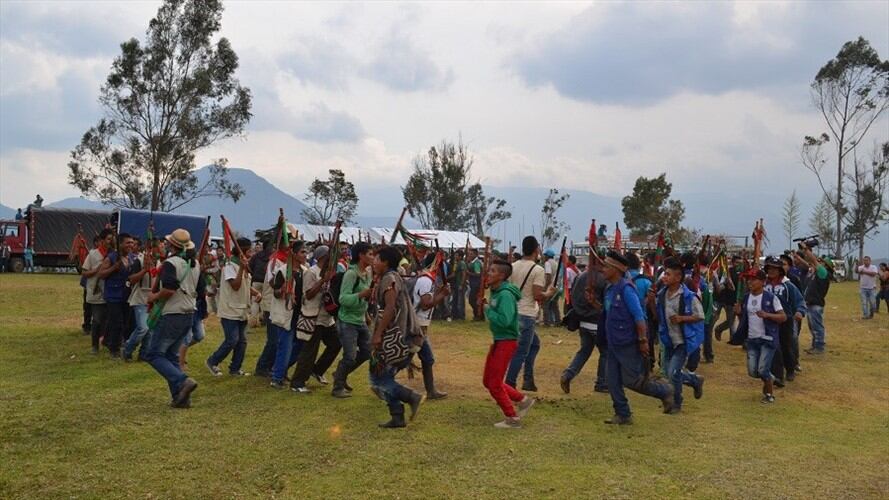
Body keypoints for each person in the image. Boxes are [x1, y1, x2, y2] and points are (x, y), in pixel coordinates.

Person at [601, 251, 674, 425]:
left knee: (632, 381)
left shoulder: (627, 289)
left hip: (627, 343)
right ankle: (623, 414)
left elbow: (639, 317)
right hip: (613, 342)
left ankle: (664, 391)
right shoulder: (609, 289)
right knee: (611, 380)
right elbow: (610, 312)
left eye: (606, 266)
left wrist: (642, 340)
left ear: (616, 269)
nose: (603, 269)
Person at [369, 245, 426, 428]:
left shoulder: (389, 279)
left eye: (377, 259)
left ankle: (411, 397)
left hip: (397, 336)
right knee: (382, 376)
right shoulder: (390, 277)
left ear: (385, 262)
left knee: (378, 378)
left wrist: (378, 334)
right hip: (399, 335)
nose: (373, 262)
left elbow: (390, 307)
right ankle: (397, 416)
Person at [145, 229, 202, 408]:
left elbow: (169, 290)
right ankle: (181, 398)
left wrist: (153, 297)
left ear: (172, 245)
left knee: (153, 354)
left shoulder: (170, 263)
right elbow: (201, 290)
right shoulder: (195, 264)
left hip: (172, 314)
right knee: (171, 356)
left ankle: (182, 381)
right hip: (188, 314)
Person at [482, 260, 536, 428]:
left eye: (492, 271)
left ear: (502, 275)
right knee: (488, 380)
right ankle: (522, 400)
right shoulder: (496, 292)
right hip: (499, 340)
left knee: (495, 384)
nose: (488, 273)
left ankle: (512, 418)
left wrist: (488, 310)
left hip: (506, 341)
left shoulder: (505, 295)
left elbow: (505, 320)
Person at [655, 258, 705, 414]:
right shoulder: (662, 294)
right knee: (670, 372)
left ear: (678, 277)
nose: (664, 277)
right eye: (665, 274)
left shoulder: (688, 297)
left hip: (682, 341)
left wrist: (682, 318)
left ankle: (676, 403)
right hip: (668, 339)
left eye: (668, 274)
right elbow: (658, 314)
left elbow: (700, 316)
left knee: (673, 373)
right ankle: (694, 380)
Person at [506, 236, 555, 392]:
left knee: (534, 344)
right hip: (526, 314)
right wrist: (549, 293)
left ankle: (528, 379)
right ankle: (509, 384)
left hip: (513, 312)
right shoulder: (537, 270)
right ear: (535, 250)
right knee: (520, 352)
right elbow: (537, 295)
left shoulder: (513, 266)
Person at [291, 245, 341, 393]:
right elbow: (308, 295)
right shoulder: (311, 272)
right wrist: (323, 281)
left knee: (336, 344)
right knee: (309, 351)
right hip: (313, 316)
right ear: (322, 257)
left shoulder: (332, 271)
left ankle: (317, 370)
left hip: (327, 317)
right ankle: (297, 382)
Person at [207, 237, 259, 377]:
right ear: (244, 250)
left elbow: (245, 285)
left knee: (241, 342)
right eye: (250, 250)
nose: (252, 253)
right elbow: (235, 286)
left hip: (242, 309)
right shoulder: (230, 266)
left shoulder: (244, 266)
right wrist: (241, 268)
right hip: (230, 309)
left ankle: (235, 368)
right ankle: (213, 361)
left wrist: (256, 293)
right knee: (232, 340)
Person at [735, 269, 786, 404]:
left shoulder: (771, 298)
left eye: (754, 279)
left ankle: (769, 395)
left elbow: (783, 317)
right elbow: (745, 318)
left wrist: (767, 315)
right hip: (752, 339)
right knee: (753, 371)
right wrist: (738, 312)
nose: (750, 282)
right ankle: (771, 378)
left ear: (763, 282)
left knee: (763, 370)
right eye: (748, 279)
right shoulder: (746, 297)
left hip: (767, 339)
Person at [331, 241, 374, 398]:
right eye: (370, 254)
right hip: (347, 320)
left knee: (367, 351)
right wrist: (362, 294)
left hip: (360, 319)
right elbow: (343, 299)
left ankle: (340, 375)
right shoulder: (351, 274)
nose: (373, 257)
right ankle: (337, 387)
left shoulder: (367, 273)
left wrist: (366, 314)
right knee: (350, 356)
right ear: (361, 256)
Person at [559, 257, 607, 394]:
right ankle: (602, 383)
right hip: (597, 322)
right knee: (606, 353)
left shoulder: (580, 276)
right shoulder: (603, 279)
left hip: (583, 322)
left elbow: (573, 297)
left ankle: (568, 374)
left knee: (584, 351)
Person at [411, 253, 452, 400]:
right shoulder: (426, 280)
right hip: (417, 324)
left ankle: (431, 391)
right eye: (441, 265)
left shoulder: (428, 279)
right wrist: (443, 294)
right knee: (406, 358)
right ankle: (382, 382)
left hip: (420, 323)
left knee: (426, 359)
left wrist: (440, 292)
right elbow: (425, 304)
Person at [268, 240, 307, 389]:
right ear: (294, 254)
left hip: (300, 315)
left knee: (299, 347)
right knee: (285, 347)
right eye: (302, 252)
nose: (305, 255)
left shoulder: (305, 271)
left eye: (306, 252)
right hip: (286, 315)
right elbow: (276, 292)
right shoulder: (283, 271)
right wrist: (283, 290)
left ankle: (280, 370)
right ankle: (277, 377)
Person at [763, 256, 806, 385]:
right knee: (773, 347)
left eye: (774, 269)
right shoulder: (764, 284)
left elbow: (799, 300)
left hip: (785, 320)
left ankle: (790, 369)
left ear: (780, 271)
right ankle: (778, 375)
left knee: (786, 346)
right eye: (769, 268)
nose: (771, 271)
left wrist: (799, 311)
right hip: (769, 320)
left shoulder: (788, 286)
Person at [97, 233, 136, 358]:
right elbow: (101, 274)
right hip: (113, 295)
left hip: (126, 295)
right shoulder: (111, 257)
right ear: (120, 244)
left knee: (125, 322)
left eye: (132, 243)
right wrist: (113, 268)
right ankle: (114, 349)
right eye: (128, 243)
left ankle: (108, 340)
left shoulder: (131, 258)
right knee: (117, 322)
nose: (131, 245)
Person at [82, 229, 113, 355]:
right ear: (102, 240)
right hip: (96, 291)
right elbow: (85, 272)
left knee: (108, 320)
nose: (110, 242)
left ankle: (106, 341)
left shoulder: (113, 254)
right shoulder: (93, 254)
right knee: (97, 320)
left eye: (112, 239)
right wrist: (97, 270)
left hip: (110, 292)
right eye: (108, 239)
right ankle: (94, 346)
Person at [123, 240, 154, 361]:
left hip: (153, 299)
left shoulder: (161, 262)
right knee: (143, 328)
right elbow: (131, 280)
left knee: (150, 330)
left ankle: (144, 354)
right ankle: (128, 349)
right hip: (140, 298)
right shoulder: (139, 261)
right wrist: (144, 270)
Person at [797, 247, 831, 354]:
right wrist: (798, 256)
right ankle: (815, 345)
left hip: (815, 304)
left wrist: (806, 250)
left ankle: (819, 347)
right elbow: (809, 263)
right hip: (810, 304)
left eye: (821, 262)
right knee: (813, 327)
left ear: (825, 266)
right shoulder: (815, 274)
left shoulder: (823, 273)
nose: (818, 263)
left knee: (817, 327)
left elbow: (813, 261)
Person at [714, 255, 741, 341]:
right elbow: (723, 285)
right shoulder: (727, 272)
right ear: (732, 262)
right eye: (737, 262)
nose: (738, 265)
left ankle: (726, 333)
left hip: (735, 300)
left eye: (740, 263)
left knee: (731, 321)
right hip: (725, 299)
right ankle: (717, 330)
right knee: (717, 318)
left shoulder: (741, 273)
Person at [542, 248, 561, 327]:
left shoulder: (547, 263)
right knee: (554, 305)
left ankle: (547, 322)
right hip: (556, 286)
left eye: (545, 255)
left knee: (545, 304)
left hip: (550, 286)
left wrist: (545, 286)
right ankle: (557, 321)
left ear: (547, 256)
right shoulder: (556, 263)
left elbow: (548, 275)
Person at [448, 250, 467, 321]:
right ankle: (455, 315)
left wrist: (461, 284)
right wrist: (446, 278)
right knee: (455, 300)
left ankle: (461, 316)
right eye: (455, 255)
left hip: (460, 285)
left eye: (456, 255)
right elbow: (453, 274)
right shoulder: (456, 263)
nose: (455, 256)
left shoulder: (462, 263)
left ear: (460, 256)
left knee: (460, 301)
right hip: (455, 284)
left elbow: (464, 274)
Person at [467, 248, 484, 320]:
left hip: (476, 284)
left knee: (472, 300)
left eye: (471, 254)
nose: (470, 255)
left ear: (476, 254)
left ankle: (479, 315)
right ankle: (477, 315)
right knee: (474, 300)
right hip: (473, 283)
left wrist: (468, 273)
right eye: (469, 254)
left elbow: (478, 274)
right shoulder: (472, 262)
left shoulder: (476, 263)